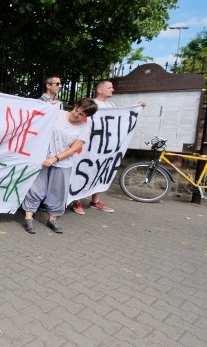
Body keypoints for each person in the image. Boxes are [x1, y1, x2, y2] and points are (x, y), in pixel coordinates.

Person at [21, 98, 98, 234]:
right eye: (76, 110)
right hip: (42, 158)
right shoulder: (58, 114)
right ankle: (29, 218)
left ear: (86, 117)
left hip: (62, 163)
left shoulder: (84, 128)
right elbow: (38, 120)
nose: (76, 115)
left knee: (57, 192)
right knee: (35, 188)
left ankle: (52, 219)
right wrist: (49, 106)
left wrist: (54, 159)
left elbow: (75, 148)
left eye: (81, 114)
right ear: (75, 106)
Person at [70, 80, 146, 214]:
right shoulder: (91, 104)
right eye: (109, 87)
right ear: (100, 90)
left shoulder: (111, 105)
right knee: (83, 170)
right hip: (89, 145)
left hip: (104, 147)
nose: (112, 90)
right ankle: (77, 201)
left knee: (101, 170)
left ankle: (95, 200)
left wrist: (138, 107)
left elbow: (122, 119)